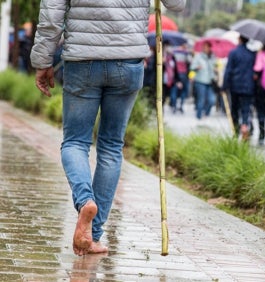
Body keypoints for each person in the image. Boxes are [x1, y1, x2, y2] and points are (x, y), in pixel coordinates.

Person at [30, 0, 186, 256]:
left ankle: (85, 202)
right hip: (128, 61)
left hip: (83, 61)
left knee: (75, 142)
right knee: (111, 147)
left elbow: (51, 16)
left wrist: (42, 60)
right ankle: (94, 233)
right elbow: (177, 5)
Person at [222, 35, 256, 140]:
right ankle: (245, 126)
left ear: (240, 39)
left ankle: (236, 129)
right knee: (246, 108)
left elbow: (228, 70)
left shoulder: (233, 53)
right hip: (249, 85)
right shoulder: (252, 54)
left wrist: (224, 85)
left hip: (235, 85)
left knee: (235, 108)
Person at [189, 41, 218, 120]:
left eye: (207, 47)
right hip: (200, 81)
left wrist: (216, 70)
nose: (205, 48)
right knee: (201, 100)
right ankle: (198, 117)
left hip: (210, 81)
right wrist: (196, 69)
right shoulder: (198, 56)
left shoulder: (212, 57)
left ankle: (206, 114)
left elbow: (215, 67)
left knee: (212, 100)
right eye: (204, 47)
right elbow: (192, 68)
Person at [171, 43, 191, 113]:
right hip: (183, 74)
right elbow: (189, 61)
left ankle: (174, 106)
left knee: (174, 91)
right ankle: (181, 106)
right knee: (183, 91)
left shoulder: (174, 51)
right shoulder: (186, 53)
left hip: (175, 74)